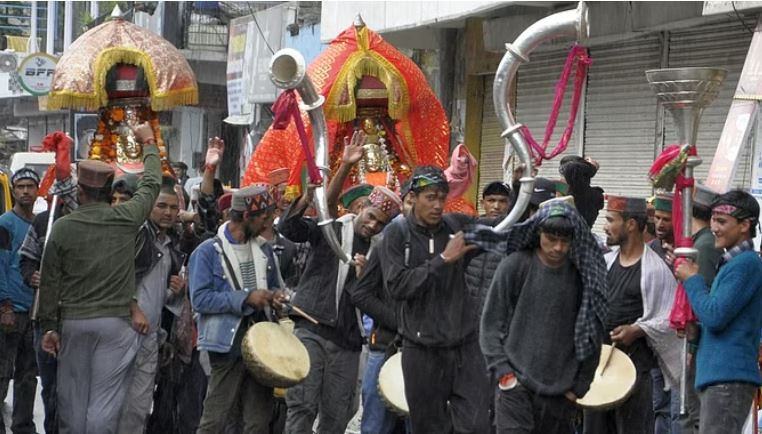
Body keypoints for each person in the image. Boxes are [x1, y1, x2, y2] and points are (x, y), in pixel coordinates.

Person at [38, 122, 161, 434]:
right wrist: (148, 141)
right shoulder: (126, 217)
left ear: (80, 191)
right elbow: (151, 186)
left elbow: (50, 283)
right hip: (115, 326)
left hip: (73, 324)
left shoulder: (63, 227)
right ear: (110, 192)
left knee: (72, 404)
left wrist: (49, 327)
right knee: (104, 406)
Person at [280, 131, 402, 434]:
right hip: (311, 327)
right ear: (361, 209)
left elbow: (382, 302)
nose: (372, 225)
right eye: (371, 216)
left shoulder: (381, 254)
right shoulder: (332, 230)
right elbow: (291, 226)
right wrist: (344, 167)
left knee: (338, 414)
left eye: (379, 224)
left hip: (347, 341)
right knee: (303, 407)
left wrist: (365, 281)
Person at [478, 200, 607, 433]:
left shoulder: (582, 277)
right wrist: (504, 374)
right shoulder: (515, 266)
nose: (558, 248)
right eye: (552, 239)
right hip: (515, 387)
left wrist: (578, 387)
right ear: (538, 233)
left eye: (565, 241)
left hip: (560, 395)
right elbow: (489, 325)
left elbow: (593, 332)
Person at [380, 165, 491, 434]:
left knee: (477, 425)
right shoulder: (397, 234)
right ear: (413, 198)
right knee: (429, 428)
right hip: (422, 351)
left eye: (442, 197)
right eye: (430, 197)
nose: (438, 205)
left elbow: (499, 231)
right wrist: (442, 260)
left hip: (465, 348)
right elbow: (398, 287)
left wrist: (520, 183)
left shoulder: (456, 225)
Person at [190, 184, 285, 434]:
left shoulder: (265, 250)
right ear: (245, 216)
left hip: (262, 345)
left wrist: (275, 298)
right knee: (216, 419)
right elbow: (199, 299)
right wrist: (245, 298)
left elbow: (275, 286)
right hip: (226, 343)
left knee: (257, 423)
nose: (267, 224)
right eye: (263, 218)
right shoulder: (207, 251)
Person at [583, 195, 681, 434]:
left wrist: (638, 330)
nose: (605, 226)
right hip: (598, 369)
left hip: (635, 373)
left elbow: (671, 319)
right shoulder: (604, 262)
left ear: (631, 224)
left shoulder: (655, 271)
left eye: (610, 219)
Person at [675, 190, 762, 434]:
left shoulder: (746, 264)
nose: (714, 227)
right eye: (713, 220)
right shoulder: (734, 263)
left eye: (722, 221)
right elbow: (723, 321)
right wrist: (696, 332)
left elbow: (715, 315)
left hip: (728, 378)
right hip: (719, 376)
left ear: (745, 225)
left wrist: (693, 280)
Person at [17, 132, 78, 434]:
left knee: (76, 387)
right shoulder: (43, 223)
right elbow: (25, 259)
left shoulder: (86, 222)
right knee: (50, 385)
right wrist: (32, 275)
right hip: (44, 316)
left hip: (78, 316)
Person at [117, 177, 186, 434]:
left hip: (150, 338)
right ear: (149, 207)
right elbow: (117, 281)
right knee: (112, 405)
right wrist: (133, 309)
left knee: (138, 408)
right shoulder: (134, 236)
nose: (167, 212)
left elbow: (157, 296)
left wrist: (173, 290)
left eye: (173, 207)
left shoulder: (171, 246)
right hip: (121, 333)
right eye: (162, 206)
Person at [678, 184, 722, 434]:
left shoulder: (704, 245)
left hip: (695, 340)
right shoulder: (699, 242)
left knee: (690, 412)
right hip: (694, 338)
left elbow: (700, 295)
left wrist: (692, 347)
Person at [0, 167, 40, 434]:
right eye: (21, 187)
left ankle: (23, 426)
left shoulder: (41, 223)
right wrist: (4, 305)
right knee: (3, 373)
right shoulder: (5, 224)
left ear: (38, 191)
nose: (26, 191)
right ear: (13, 191)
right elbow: (1, 265)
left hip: (35, 309)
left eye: (30, 186)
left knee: (27, 376)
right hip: (10, 309)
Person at [644, 193, 675, 434]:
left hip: (677, 342)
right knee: (657, 404)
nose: (661, 224)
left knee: (674, 408)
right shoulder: (651, 249)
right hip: (654, 340)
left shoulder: (687, 250)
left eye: (667, 219)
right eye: (658, 218)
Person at [558, 155, 604, 228]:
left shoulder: (591, 195)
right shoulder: (560, 189)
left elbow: (571, 168)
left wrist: (592, 167)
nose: (561, 178)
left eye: (564, 173)